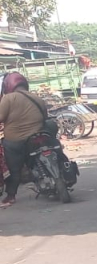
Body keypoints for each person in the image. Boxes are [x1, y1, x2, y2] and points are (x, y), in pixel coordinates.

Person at [0, 72, 48, 207]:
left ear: (8, 85)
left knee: (14, 169)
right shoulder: (37, 98)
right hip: (37, 139)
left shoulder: (8, 98)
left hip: (14, 141)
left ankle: (10, 196)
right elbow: (45, 117)